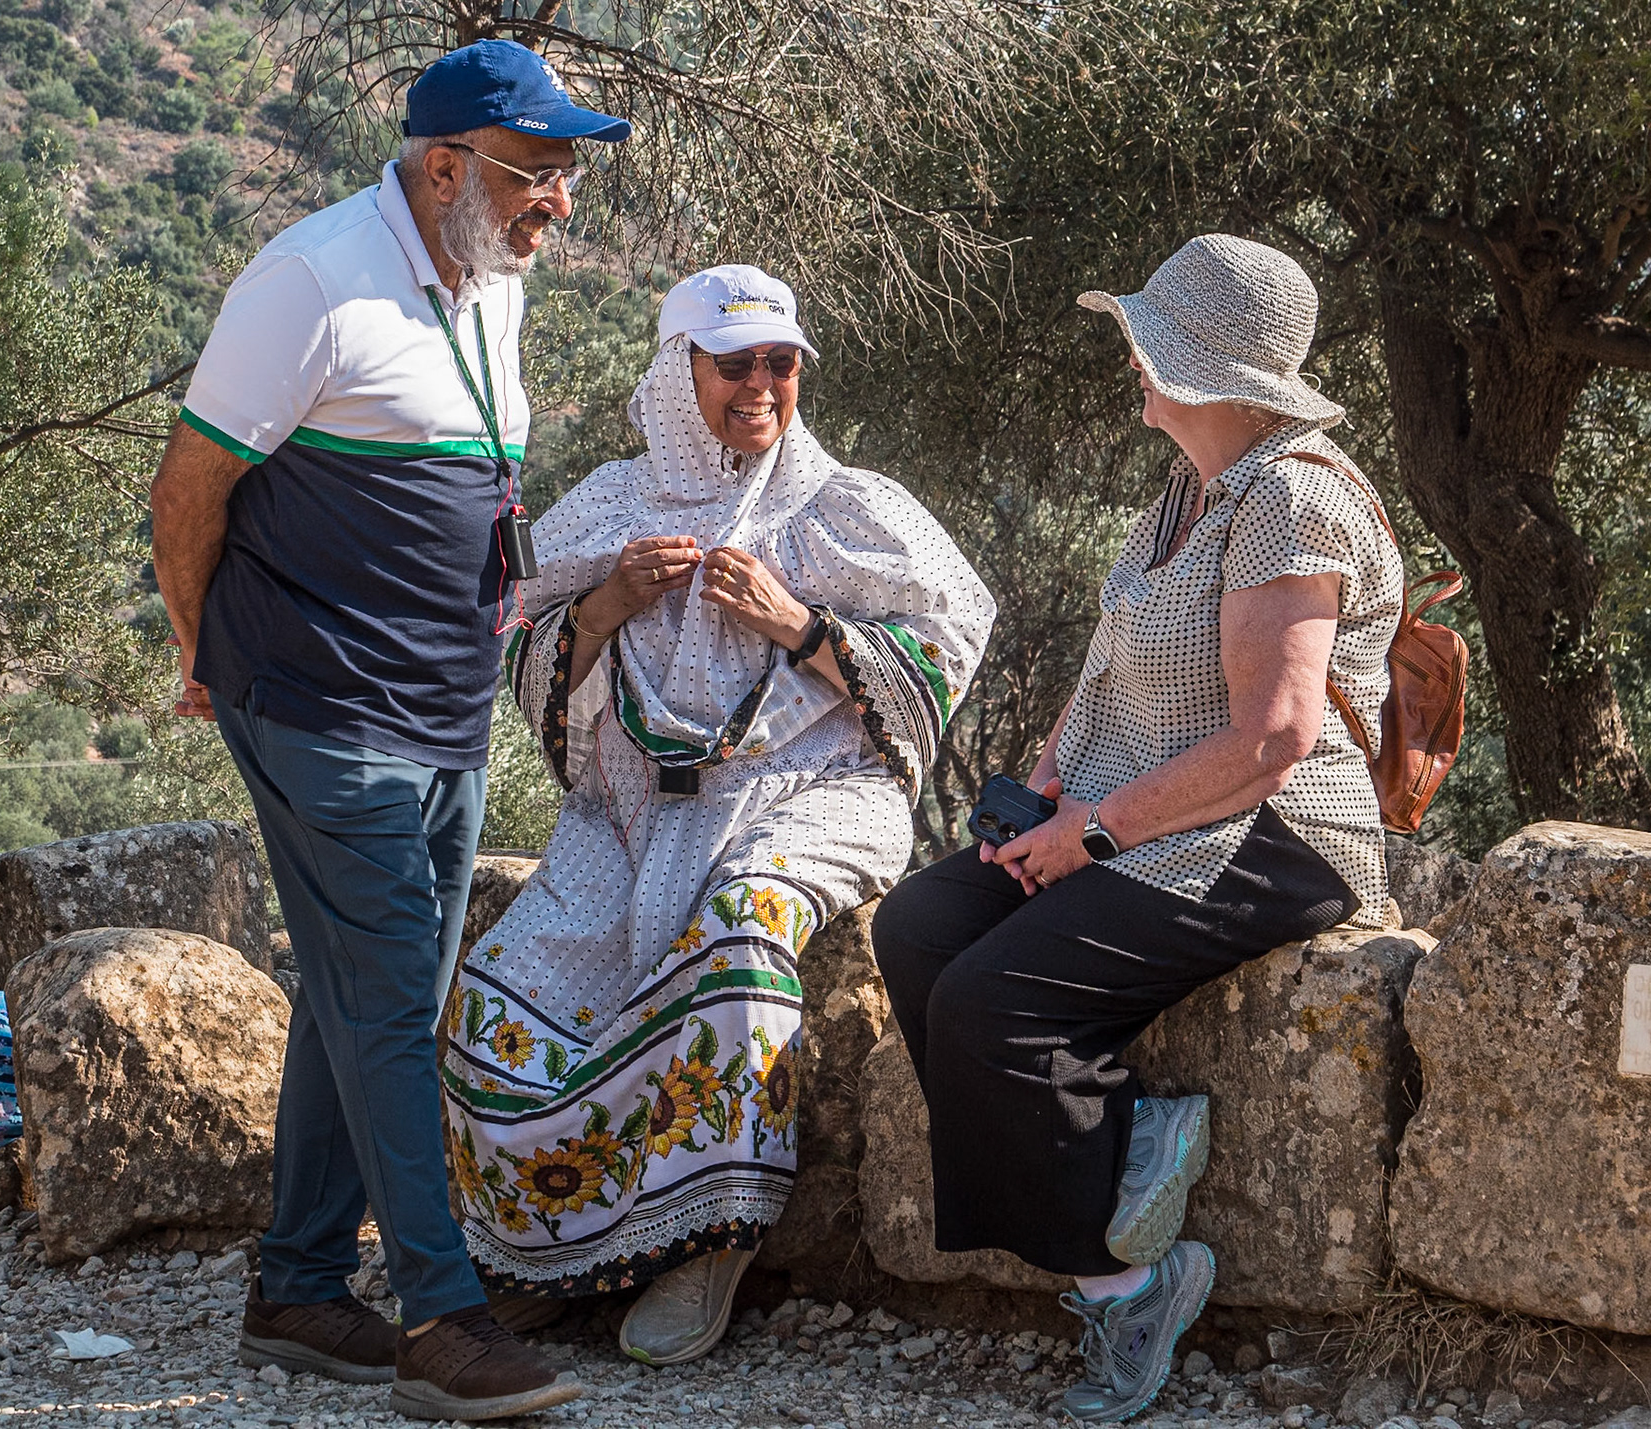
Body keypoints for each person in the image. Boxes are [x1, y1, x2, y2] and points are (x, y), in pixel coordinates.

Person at [149, 39, 630, 1423]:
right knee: (389, 999)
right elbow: (187, 497)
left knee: (380, 994)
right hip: (315, 702)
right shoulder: (308, 280)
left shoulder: (489, 278)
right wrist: (200, 649)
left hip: (441, 709)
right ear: (444, 166)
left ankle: (299, 1289)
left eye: (565, 176)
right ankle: (440, 1313)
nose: (560, 203)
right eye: (538, 174)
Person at [872, 234, 1406, 1423]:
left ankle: (1129, 1286)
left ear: (1207, 368)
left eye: (1149, 342)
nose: (1131, 359)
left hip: (1270, 834)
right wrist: (1052, 784)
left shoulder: (1293, 497)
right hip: (1138, 810)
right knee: (917, 929)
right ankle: (1121, 1146)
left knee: (991, 1002)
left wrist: (1093, 835)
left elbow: (1273, 739)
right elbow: (1110, 658)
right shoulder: (1185, 491)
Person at [440, 265, 994, 1367]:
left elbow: (951, 639)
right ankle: (543, 1249)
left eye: (781, 363)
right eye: (733, 363)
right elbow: (515, 641)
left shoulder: (846, 507)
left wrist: (801, 625)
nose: (761, 384)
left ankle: (705, 1243)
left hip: (812, 799)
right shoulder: (607, 505)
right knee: (499, 993)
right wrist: (607, 603)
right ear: (675, 371)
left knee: (740, 939)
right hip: (631, 819)